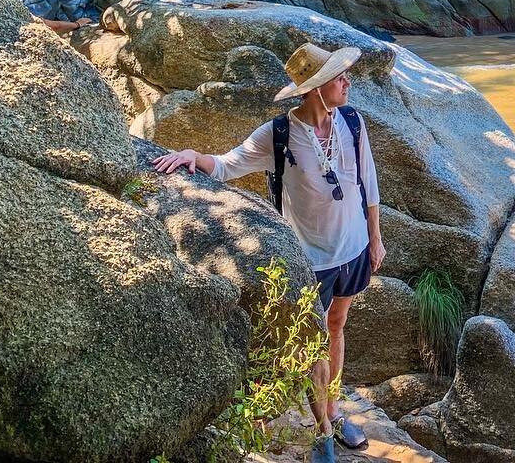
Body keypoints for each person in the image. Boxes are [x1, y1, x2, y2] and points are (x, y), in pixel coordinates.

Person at [153, 44, 384, 463]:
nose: (347, 81)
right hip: (309, 260)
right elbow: (226, 166)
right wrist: (191, 155)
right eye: (339, 77)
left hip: (352, 248)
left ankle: (332, 405)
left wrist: (375, 237)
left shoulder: (352, 121)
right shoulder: (277, 135)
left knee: (337, 325)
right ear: (315, 89)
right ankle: (323, 432)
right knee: (313, 342)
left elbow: (367, 180)